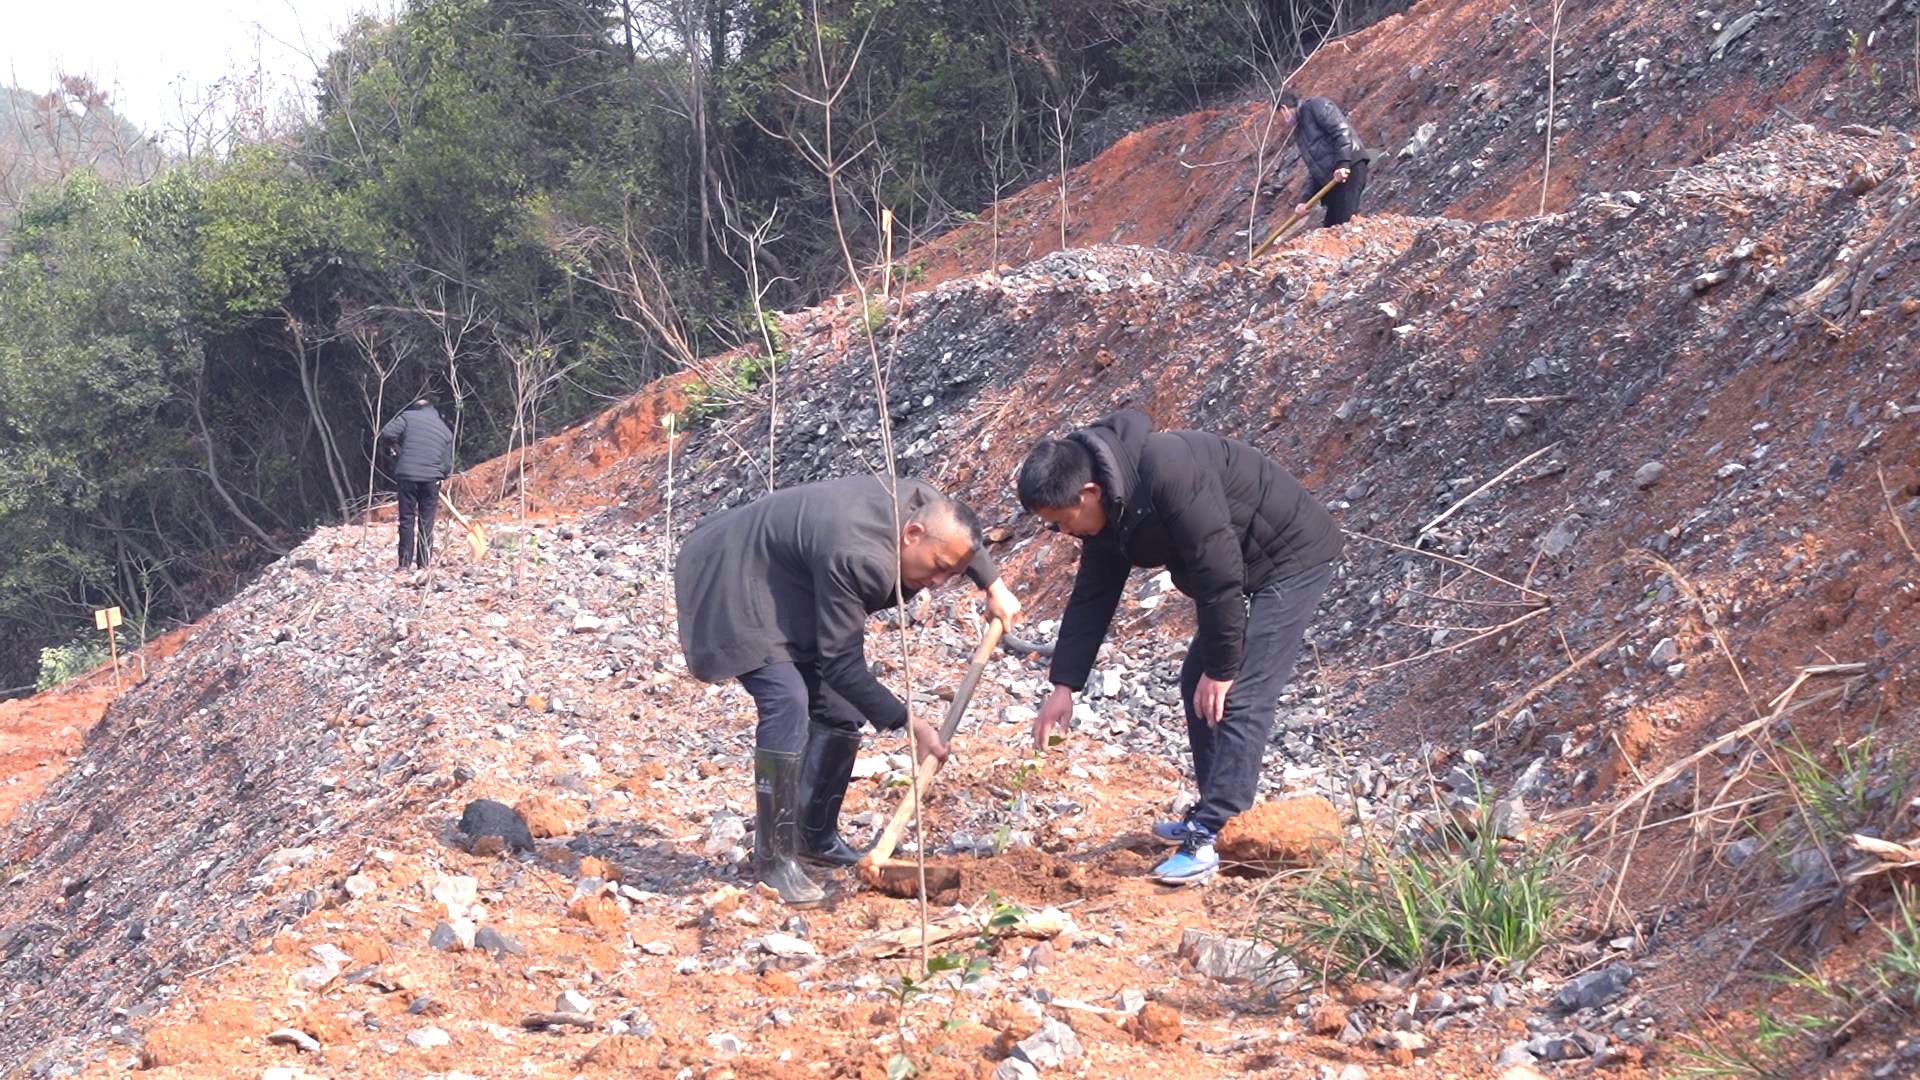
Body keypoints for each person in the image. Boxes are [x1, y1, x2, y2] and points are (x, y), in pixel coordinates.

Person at [1016, 410, 1341, 885]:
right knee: (1197, 680)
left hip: (1292, 557)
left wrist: (1224, 666)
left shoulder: (1168, 472)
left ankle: (1213, 832)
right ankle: (1217, 815)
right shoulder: (1111, 503)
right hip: (1240, 566)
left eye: (1063, 521)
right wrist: (1064, 684)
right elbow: (1093, 595)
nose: (1064, 533)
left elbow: (1218, 572)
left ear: (1088, 493)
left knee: (1240, 693)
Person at [674, 475, 1023, 906]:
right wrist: (910, 723)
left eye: (950, 573)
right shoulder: (858, 555)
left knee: (839, 708)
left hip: (786, 573)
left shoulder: (927, 507)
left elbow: (958, 539)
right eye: (937, 568)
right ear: (912, 534)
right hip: (730, 571)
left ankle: (813, 836)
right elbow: (841, 663)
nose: (937, 582)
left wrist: (995, 585)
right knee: (787, 700)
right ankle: (775, 860)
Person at [1276, 89, 1374, 228]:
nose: (1281, 122)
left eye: (1278, 116)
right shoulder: (1300, 131)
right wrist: (1305, 199)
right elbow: (1315, 168)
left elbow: (1341, 131)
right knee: (1330, 227)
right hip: (1333, 181)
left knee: (1345, 223)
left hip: (1350, 168)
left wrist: (1343, 164)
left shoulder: (1316, 106)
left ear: (1284, 108)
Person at [379, 399, 455, 571]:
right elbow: (447, 463)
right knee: (426, 521)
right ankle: (424, 564)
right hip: (431, 479)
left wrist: (397, 449)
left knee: (407, 519)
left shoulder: (407, 417)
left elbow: (387, 433)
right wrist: (440, 476)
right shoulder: (444, 429)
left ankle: (404, 564)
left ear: (416, 408)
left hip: (408, 476)